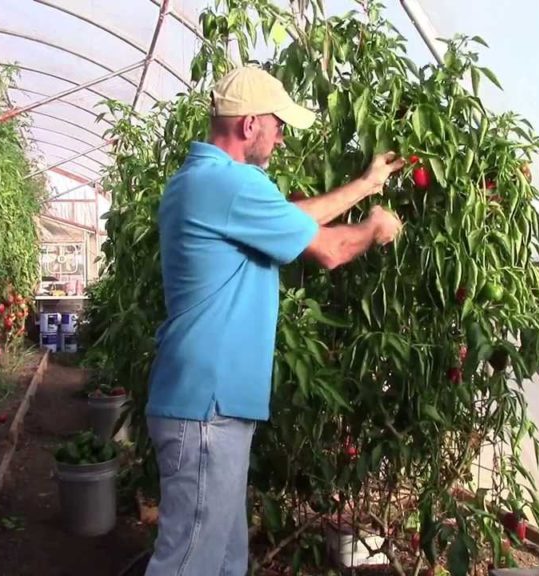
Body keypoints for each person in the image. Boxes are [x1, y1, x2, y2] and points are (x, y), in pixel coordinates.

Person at [143, 65, 406, 575]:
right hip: (206, 408)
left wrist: (367, 184)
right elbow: (328, 248)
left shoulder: (206, 182)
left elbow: (292, 216)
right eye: (277, 123)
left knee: (222, 562)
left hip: (209, 406)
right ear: (249, 125)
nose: (282, 134)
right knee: (188, 564)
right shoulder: (229, 185)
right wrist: (374, 228)